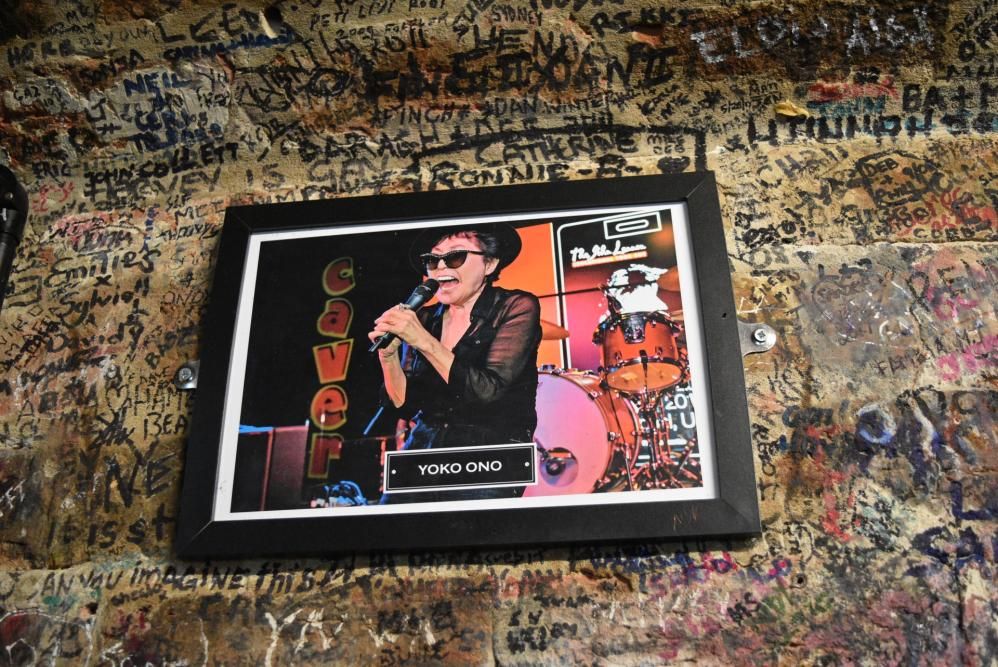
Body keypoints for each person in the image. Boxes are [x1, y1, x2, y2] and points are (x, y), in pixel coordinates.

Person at [367, 222, 542, 502]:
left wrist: (424, 341)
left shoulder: (516, 307)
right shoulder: (425, 319)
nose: (440, 267)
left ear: (489, 264)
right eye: (432, 260)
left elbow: (487, 390)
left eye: (455, 256)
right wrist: (388, 357)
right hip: (424, 449)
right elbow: (403, 403)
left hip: (489, 455)